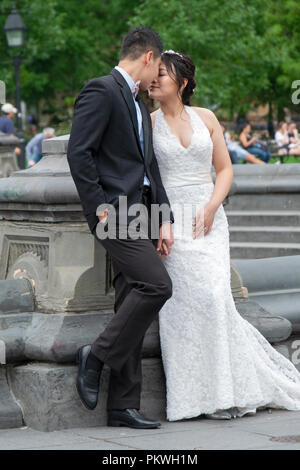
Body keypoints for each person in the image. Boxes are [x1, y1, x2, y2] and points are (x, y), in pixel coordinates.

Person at [148, 50, 300, 421]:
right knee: (181, 306)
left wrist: (213, 206)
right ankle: (191, 398)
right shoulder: (146, 124)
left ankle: (228, 389)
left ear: (182, 83)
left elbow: (225, 169)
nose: (153, 80)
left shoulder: (207, 118)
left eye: (162, 75)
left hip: (209, 218)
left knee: (217, 298)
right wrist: (158, 221)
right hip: (173, 222)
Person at [67, 27, 175, 429]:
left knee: (131, 299)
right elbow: (80, 154)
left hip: (144, 213)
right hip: (117, 214)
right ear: (148, 57)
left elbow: (151, 168)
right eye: (158, 68)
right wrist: (99, 209)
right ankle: (94, 356)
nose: (156, 79)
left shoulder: (138, 106)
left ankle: (122, 405)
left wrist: (164, 218)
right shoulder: (101, 90)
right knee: (158, 286)